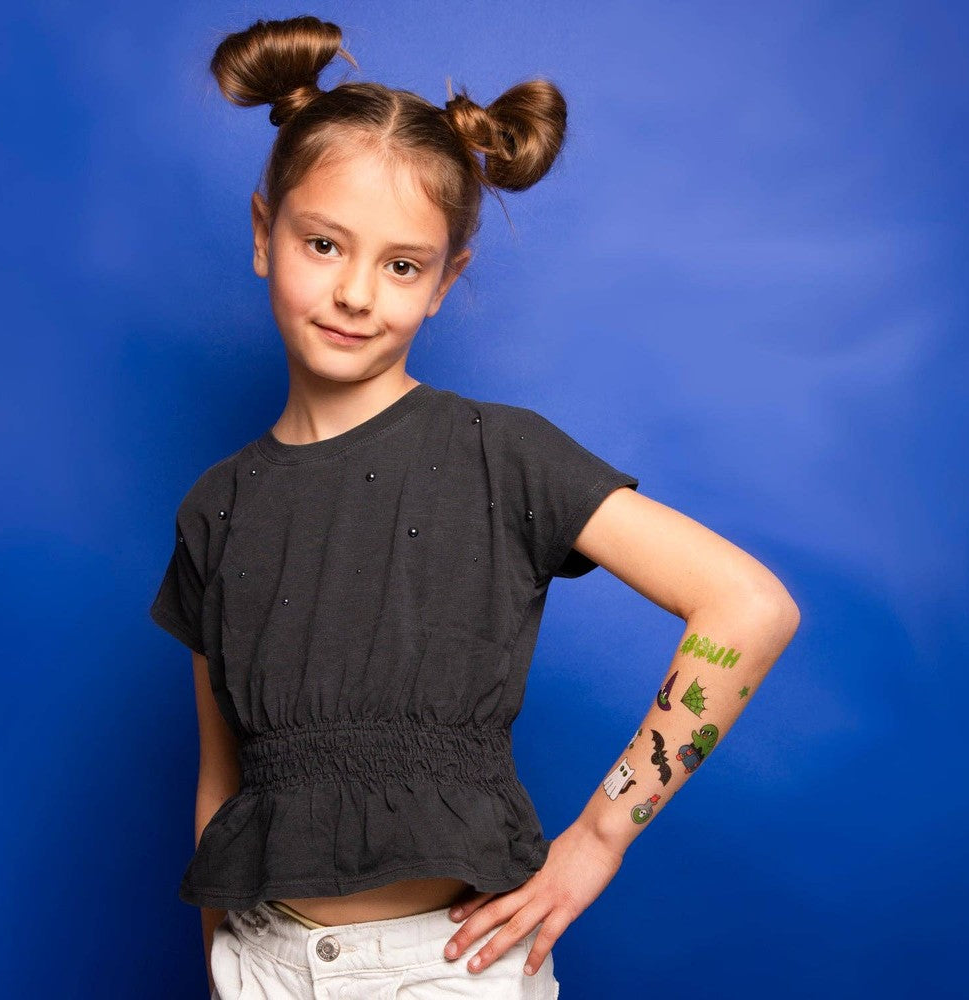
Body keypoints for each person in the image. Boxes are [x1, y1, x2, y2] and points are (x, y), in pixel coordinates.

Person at [148, 14, 800, 1000]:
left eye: (401, 264)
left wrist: (594, 842)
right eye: (323, 243)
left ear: (445, 282)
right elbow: (220, 783)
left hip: (447, 970)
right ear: (261, 232)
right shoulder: (215, 509)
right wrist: (219, 963)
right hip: (261, 962)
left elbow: (748, 607)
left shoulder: (499, 454)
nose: (356, 291)